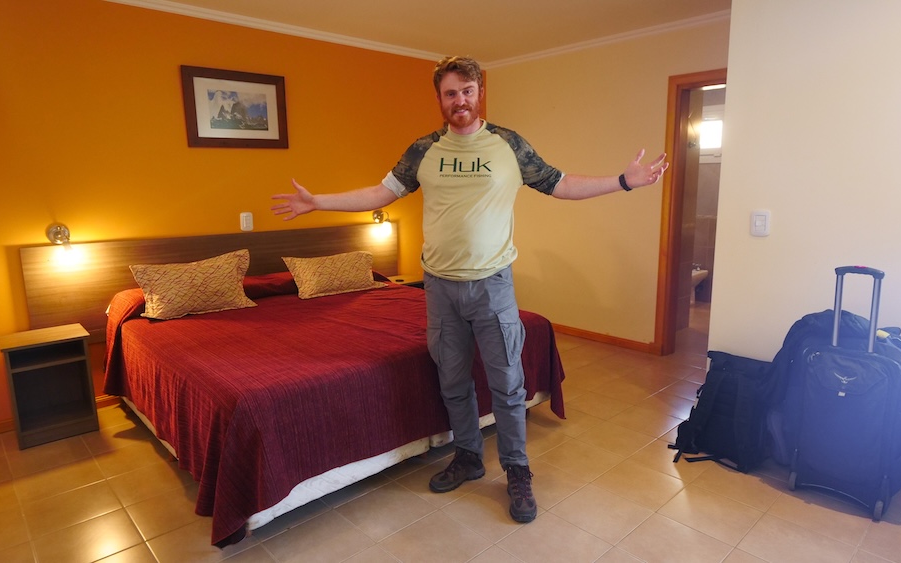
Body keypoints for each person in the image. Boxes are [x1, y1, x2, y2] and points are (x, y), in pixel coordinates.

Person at [270, 55, 668, 523]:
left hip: (492, 285)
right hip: (438, 288)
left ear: (479, 92)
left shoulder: (508, 145)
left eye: (466, 91)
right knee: (452, 381)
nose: (459, 101)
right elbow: (380, 194)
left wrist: (623, 182)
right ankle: (469, 456)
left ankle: (517, 471)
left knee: (507, 383)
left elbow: (560, 184)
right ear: (439, 99)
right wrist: (318, 202)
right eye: (449, 93)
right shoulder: (423, 150)